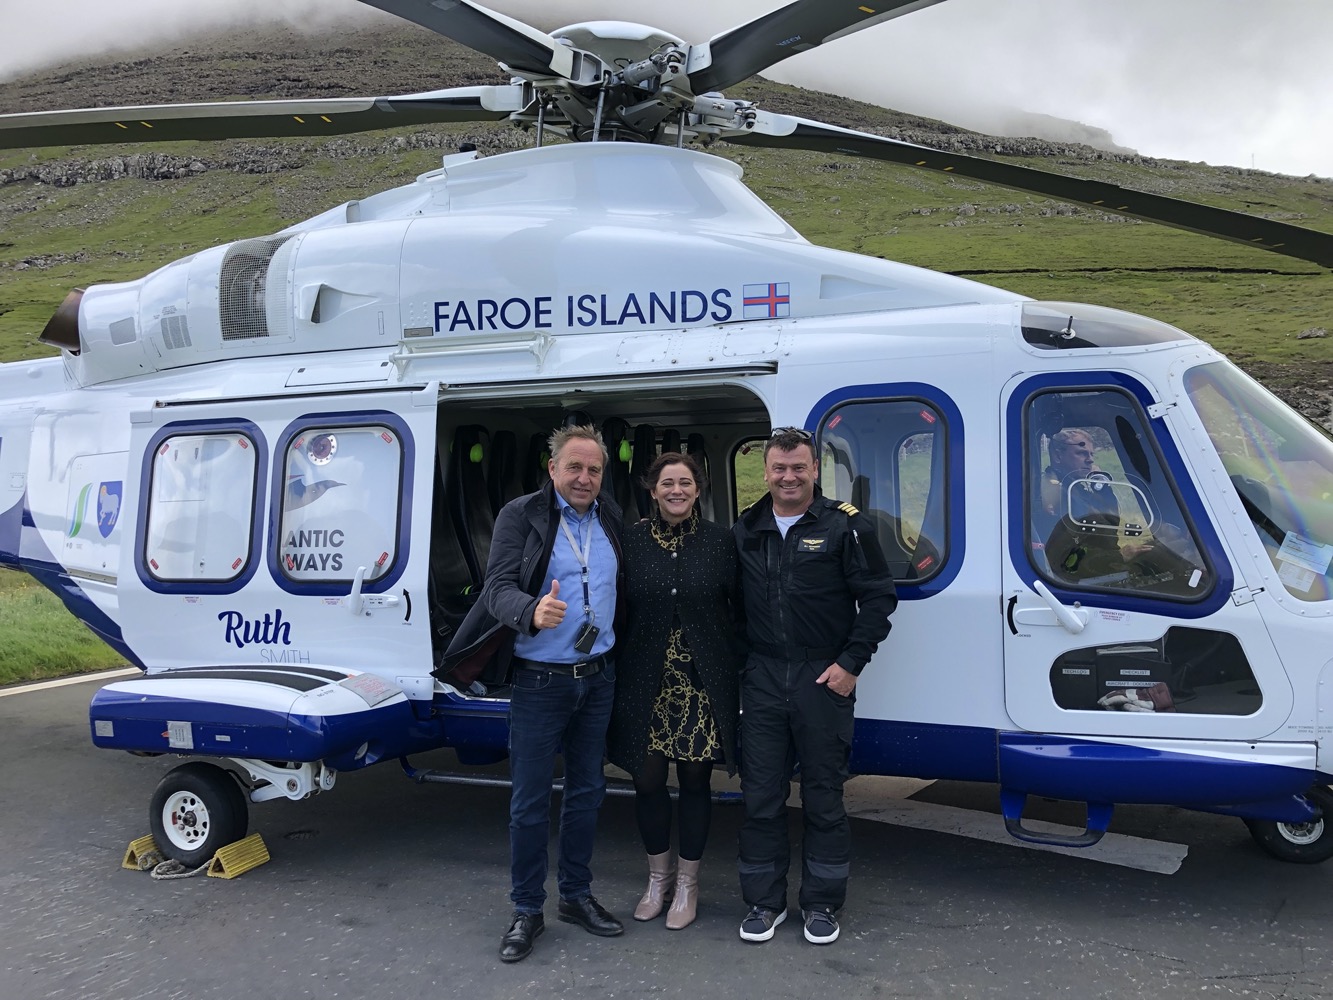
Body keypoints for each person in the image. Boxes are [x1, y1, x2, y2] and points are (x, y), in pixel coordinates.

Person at [440, 424, 625, 964]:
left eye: (594, 469)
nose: (585, 478)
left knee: (588, 792)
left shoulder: (609, 515)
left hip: (598, 676)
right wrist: (530, 612)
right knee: (529, 803)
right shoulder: (520, 515)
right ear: (552, 468)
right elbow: (496, 588)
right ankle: (526, 909)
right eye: (575, 467)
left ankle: (575, 896)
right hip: (540, 681)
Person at [732, 427, 897, 946]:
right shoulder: (746, 528)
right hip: (762, 678)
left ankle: (822, 904)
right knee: (760, 797)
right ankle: (764, 902)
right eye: (779, 468)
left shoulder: (846, 527)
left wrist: (850, 665)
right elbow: (731, 607)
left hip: (821, 678)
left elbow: (878, 600)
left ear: (815, 470)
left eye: (798, 467)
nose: (788, 477)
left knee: (824, 798)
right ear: (765, 472)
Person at [607, 452, 742, 931]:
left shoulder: (721, 542)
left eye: (686, 482)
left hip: (700, 684)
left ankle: (688, 884)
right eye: (668, 482)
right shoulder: (631, 541)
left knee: (694, 784)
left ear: (698, 489)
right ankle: (657, 880)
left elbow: (739, 612)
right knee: (646, 783)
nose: (677, 490)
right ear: (652, 489)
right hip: (643, 681)